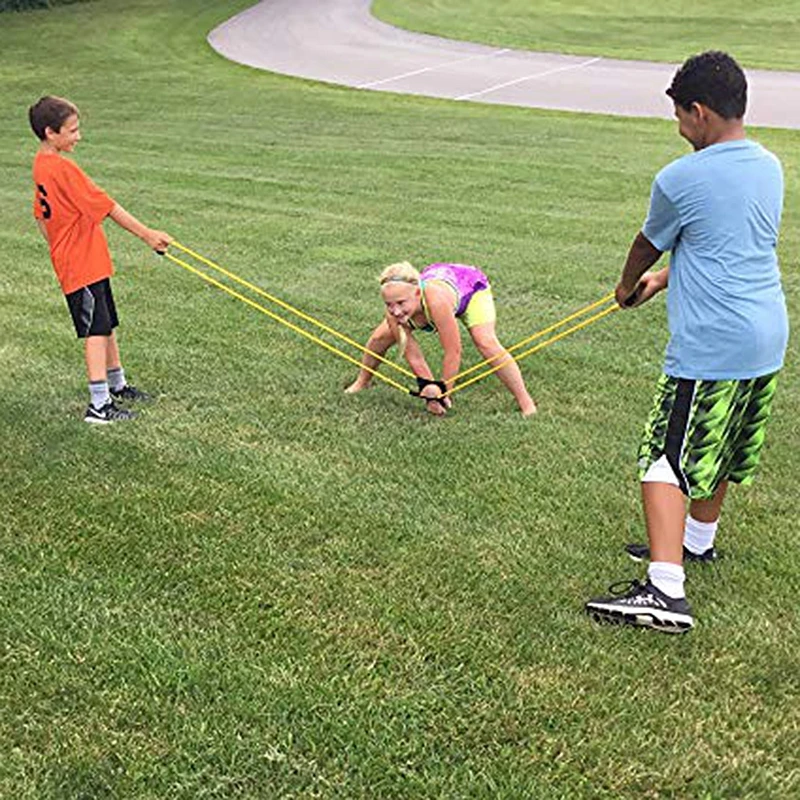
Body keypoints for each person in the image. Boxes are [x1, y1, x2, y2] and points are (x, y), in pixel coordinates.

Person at [585, 52, 788, 633]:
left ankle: (664, 589)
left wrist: (628, 286)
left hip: (713, 343)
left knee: (663, 456)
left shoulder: (680, 177)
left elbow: (648, 243)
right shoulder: (769, 165)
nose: (679, 129)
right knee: (718, 445)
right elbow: (726, 245)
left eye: (679, 117)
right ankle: (697, 543)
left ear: (698, 112)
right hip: (765, 336)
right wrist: (664, 280)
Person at [30, 96, 172, 423]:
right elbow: (107, 206)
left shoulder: (41, 163)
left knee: (106, 324)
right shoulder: (63, 168)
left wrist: (59, 244)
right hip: (80, 263)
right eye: (73, 131)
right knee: (95, 329)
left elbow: (40, 215)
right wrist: (148, 234)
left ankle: (116, 384)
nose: (78, 136)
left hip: (86, 258)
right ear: (51, 133)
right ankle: (98, 405)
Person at [345, 261, 537, 416]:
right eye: (389, 304)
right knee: (378, 339)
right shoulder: (395, 312)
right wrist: (429, 391)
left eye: (401, 303)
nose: (395, 310)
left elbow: (453, 351)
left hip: (470, 287)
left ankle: (526, 402)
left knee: (485, 342)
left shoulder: (436, 302)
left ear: (417, 293)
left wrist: (444, 392)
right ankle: (363, 381)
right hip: (435, 278)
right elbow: (413, 355)